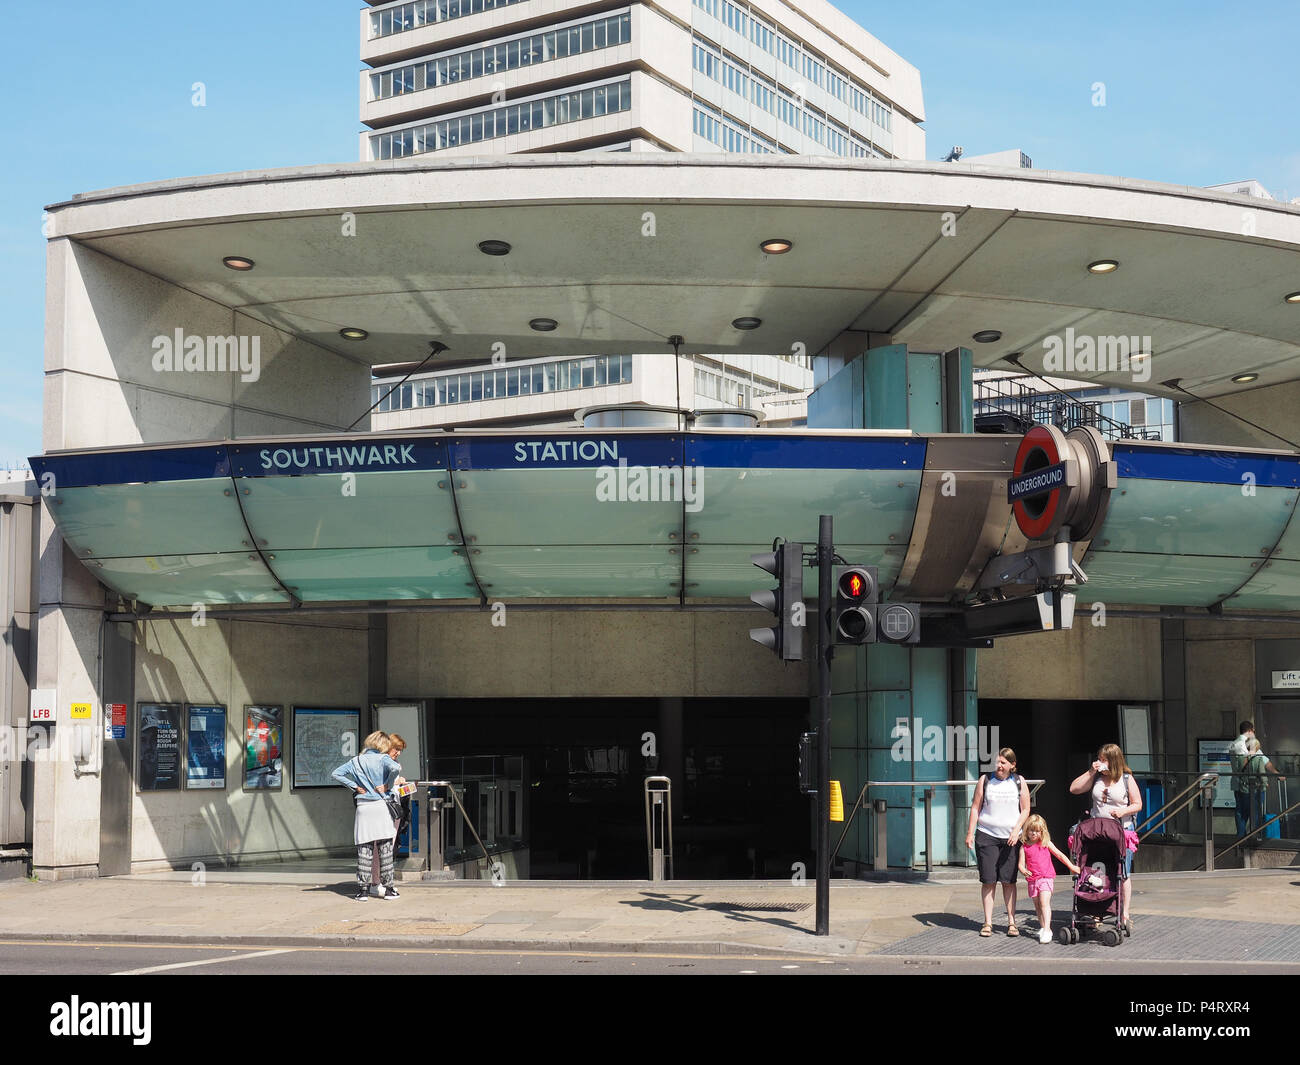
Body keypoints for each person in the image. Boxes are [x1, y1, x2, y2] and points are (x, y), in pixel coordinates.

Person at [1069, 743, 1142, 933]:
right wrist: (1090, 772)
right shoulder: (1097, 778)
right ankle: (1094, 910)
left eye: (1104, 759)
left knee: (1122, 872)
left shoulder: (1126, 779)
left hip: (1120, 831)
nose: (1100, 762)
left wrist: (1122, 811)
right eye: (1099, 759)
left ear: (1114, 760)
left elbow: (1138, 804)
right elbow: (1074, 789)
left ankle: (1124, 913)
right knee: (1095, 868)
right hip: (1096, 831)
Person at [965, 747, 1031, 937]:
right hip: (987, 834)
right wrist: (970, 833)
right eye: (998, 762)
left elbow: (1025, 809)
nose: (999, 766)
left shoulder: (1019, 782)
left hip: (1010, 838)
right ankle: (987, 922)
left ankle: (1012, 922)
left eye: (1003, 763)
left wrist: (1017, 830)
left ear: (1012, 765)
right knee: (989, 881)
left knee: (1009, 881)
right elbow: (976, 807)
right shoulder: (985, 780)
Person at [332, 731, 401, 901]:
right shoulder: (383, 759)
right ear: (382, 744)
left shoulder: (355, 761)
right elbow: (396, 768)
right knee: (385, 848)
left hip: (363, 807)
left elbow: (336, 773)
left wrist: (354, 786)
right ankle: (389, 888)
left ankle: (363, 890)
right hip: (380, 806)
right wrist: (387, 785)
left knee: (365, 849)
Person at [1018, 814, 1079, 943]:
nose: (1034, 833)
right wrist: (1023, 870)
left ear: (1042, 832)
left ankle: (1047, 929)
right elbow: (1020, 864)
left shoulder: (1045, 843)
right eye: (1031, 830)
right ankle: (1043, 927)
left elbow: (1059, 855)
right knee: (1037, 905)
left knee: (1044, 903)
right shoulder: (1024, 847)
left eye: (1037, 831)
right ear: (1026, 831)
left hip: (1046, 877)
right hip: (1032, 880)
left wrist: (1071, 866)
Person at [1245, 737, 1286, 836]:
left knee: (1242, 813)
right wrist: (1265, 783)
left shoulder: (1239, 752)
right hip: (1255, 788)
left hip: (1242, 788)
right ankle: (1255, 835)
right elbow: (1264, 770)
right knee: (1256, 812)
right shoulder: (1257, 757)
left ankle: (1242, 837)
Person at [1230, 720, 1257, 837]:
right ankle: (1242, 837)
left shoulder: (1235, 743)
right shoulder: (1241, 745)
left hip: (1237, 782)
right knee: (1244, 812)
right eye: (1253, 731)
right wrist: (1253, 753)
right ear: (1249, 731)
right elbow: (1244, 764)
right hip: (1244, 783)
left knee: (1241, 810)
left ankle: (1242, 836)